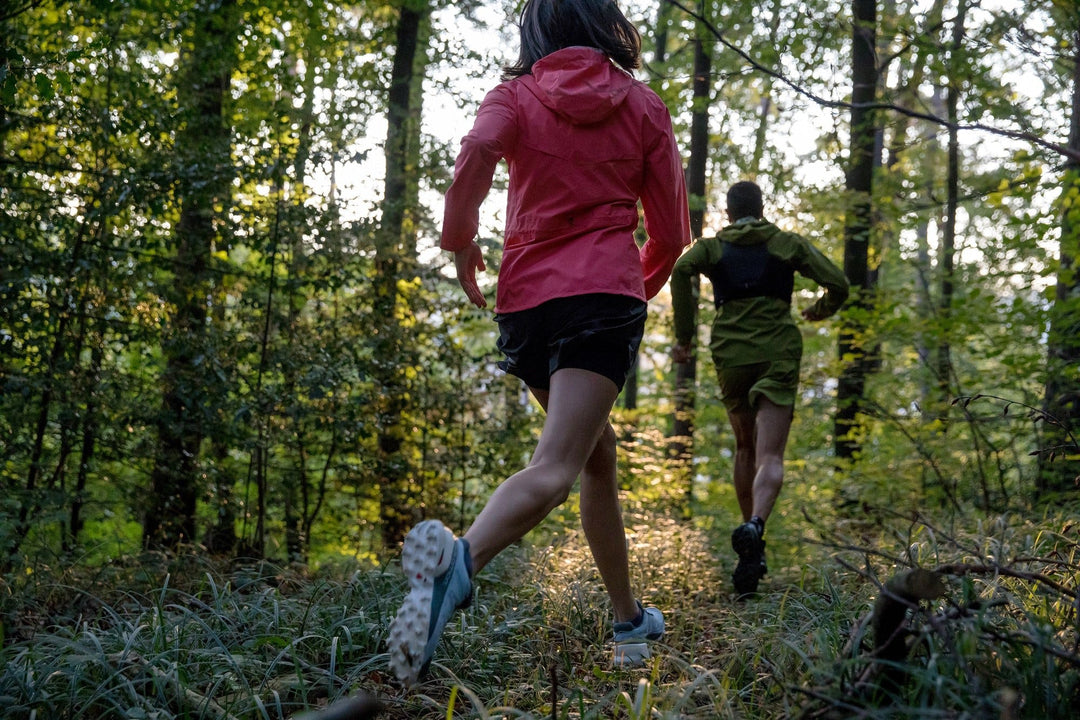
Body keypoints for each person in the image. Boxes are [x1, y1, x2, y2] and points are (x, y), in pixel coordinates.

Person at [386, 0, 691, 686]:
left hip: (525, 303)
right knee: (558, 462)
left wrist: (461, 243)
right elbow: (672, 234)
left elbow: (477, 153)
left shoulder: (513, 96)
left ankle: (627, 618)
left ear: (537, 32)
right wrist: (624, 292)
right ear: (606, 25)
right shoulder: (643, 107)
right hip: (599, 299)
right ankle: (458, 568)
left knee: (595, 456)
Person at [670, 180, 848, 597]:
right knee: (770, 453)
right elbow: (839, 283)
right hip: (779, 351)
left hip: (731, 352)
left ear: (728, 214)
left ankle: (751, 544)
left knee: (746, 448)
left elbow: (680, 270)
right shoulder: (785, 243)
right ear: (762, 208)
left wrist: (684, 338)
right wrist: (819, 311)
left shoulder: (712, 249)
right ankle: (756, 525)